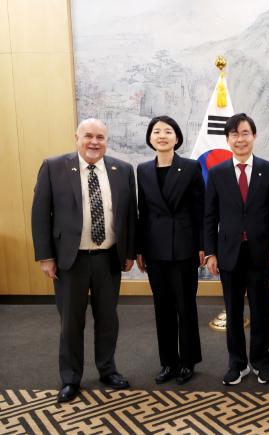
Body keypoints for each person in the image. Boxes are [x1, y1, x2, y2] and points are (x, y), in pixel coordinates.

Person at [31, 118, 136, 403]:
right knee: (71, 322)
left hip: (108, 258)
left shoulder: (122, 170)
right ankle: (70, 378)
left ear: (106, 141)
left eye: (100, 137)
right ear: (76, 137)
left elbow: (130, 216)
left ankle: (107, 370)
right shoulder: (53, 167)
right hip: (70, 261)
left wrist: (129, 253)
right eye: (88, 135)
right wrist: (45, 257)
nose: (94, 142)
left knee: (108, 320)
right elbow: (40, 214)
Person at [205, 113, 269, 386]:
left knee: (261, 310)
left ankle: (261, 362)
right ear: (228, 139)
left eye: (245, 133)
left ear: (254, 136)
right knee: (233, 310)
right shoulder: (217, 173)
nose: (240, 139)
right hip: (228, 254)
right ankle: (237, 364)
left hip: (260, 253)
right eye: (235, 134)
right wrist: (210, 252)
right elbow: (209, 216)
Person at [135, 116, 204, 385]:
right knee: (161, 307)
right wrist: (140, 249)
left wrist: (202, 246)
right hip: (155, 250)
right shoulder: (143, 170)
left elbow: (200, 209)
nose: (162, 135)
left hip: (184, 248)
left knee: (185, 307)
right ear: (150, 138)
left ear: (177, 138)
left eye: (167, 131)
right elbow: (142, 213)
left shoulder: (191, 167)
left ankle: (188, 362)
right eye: (156, 131)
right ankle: (168, 363)